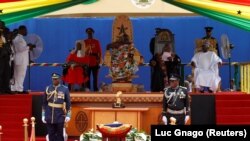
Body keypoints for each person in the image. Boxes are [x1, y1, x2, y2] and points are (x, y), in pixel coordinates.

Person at [42, 73, 71, 141]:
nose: (54, 80)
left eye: (56, 79)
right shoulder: (48, 88)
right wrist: (43, 115)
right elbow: (44, 103)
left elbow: (68, 103)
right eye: (53, 79)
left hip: (60, 115)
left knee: (60, 134)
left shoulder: (65, 89)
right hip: (49, 114)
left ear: (60, 79)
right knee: (51, 134)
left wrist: (68, 115)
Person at [11, 25, 35, 94]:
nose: (26, 31)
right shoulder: (18, 38)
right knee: (20, 75)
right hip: (21, 60)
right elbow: (20, 49)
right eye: (25, 30)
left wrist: (28, 46)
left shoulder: (19, 38)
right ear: (21, 30)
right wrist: (28, 47)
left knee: (17, 75)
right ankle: (19, 89)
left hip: (20, 59)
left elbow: (22, 48)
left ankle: (16, 88)